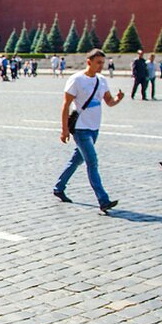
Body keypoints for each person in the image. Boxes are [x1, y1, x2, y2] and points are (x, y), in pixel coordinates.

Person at [53, 49, 124, 213]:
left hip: (94, 128)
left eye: (102, 63)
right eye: (98, 62)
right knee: (92, 162)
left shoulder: (102, 80)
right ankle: (103, 200)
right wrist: (64, 130)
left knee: (76, 160)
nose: (101, 66)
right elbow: (65, 105)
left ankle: (59, 187)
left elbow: (109, 101)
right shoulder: (76, 80)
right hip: (80, 128)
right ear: (89, 62)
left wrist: (118, 99)